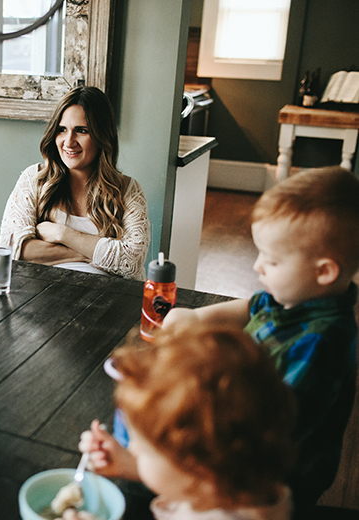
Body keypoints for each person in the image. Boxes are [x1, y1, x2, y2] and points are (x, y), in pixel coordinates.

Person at [107, 167, 359, 519]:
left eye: (271, 260)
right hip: (241, 428)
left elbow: (272, 426)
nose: (258, 266)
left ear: (324, 271)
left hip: (270, 478)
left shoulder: (324, 342)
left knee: (143, 479)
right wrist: (188, 320)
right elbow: (237, 310)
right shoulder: (287, 298)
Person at [80, 326, 297, 520]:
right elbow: (190, 483)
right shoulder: (243, 485)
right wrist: (130, 464)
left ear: (200, 469)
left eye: (145, 449)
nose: (133, 448)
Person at [0, 86, 150, 280]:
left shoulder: (129, 191)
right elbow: (11, 247)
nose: (69, 142)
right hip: (43, 293)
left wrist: (63, 234)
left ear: (102, 136)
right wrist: (93, 252)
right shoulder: (34, 179)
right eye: (62, 130)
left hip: (109, 298)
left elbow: (132, 261)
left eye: (81, 131)